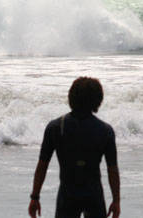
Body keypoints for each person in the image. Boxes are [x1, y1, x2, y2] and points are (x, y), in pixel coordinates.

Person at [28, 77, 120, 218]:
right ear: (98, 100)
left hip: (67, 196)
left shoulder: (56, 127)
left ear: (71, 97)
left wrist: (35, 197)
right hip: (94, 195)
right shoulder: (105, 131)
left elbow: (42, 165)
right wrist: (116, 201)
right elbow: (112, 169)